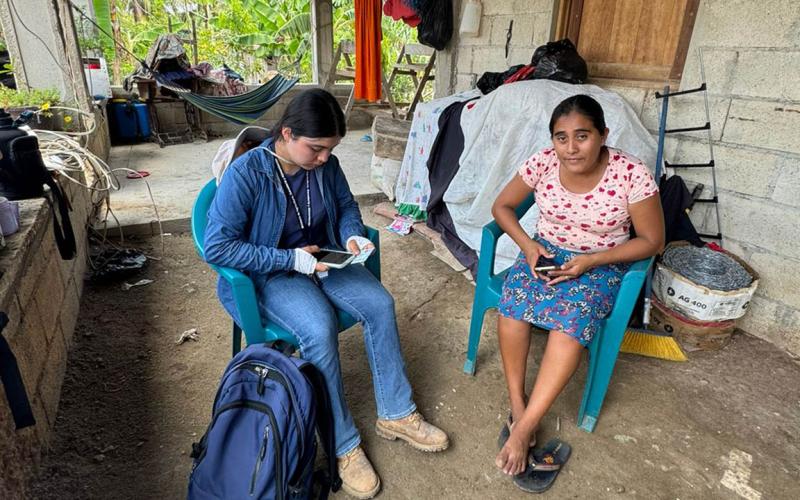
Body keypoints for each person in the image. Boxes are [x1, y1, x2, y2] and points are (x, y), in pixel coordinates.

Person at [203, 89, 449, 499]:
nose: (323, 159)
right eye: (316, 149)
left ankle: (396, 412)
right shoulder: (248, 173)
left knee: (380, 304)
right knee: (317, 327)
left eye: (330, 149)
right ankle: (343, 445)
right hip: (271, 273)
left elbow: (346, 205)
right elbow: (217, 247)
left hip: (324, 259)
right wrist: (289, 259)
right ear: (286, 134)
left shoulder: (326, 165)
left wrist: (351, 235)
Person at [491, 94, 665, 484]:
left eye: (582, 136)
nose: (571, 148)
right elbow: (501, 207)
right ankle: (518, 407)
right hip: (545, 255)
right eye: (561, 137)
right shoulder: (542, 162)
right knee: (512, 306)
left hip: (601, 263)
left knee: (569, 324)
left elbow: (653, 240)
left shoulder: (631, 173)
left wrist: (591, 261)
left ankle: (524, 429)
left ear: (603, 134)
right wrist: (528, 246)